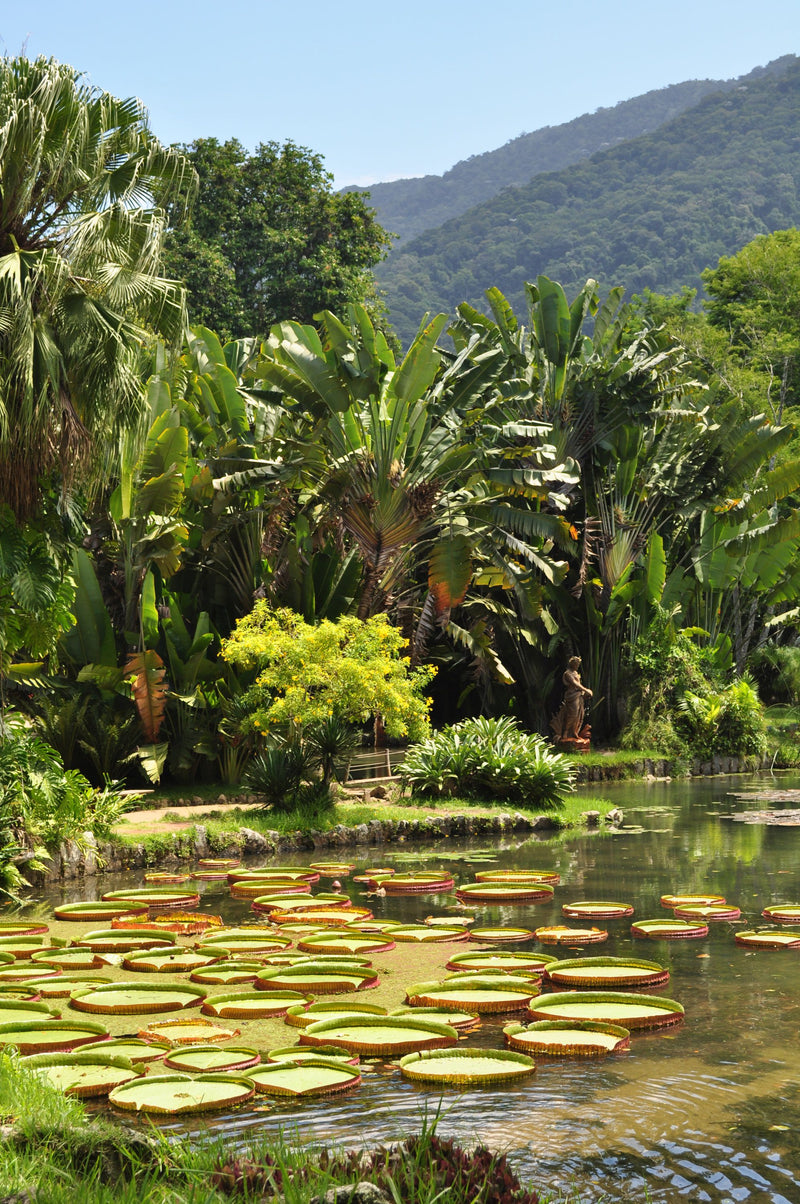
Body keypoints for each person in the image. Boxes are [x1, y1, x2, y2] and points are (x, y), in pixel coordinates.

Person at [550, 656, 593, 741]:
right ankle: (565, 732)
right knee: (573, 714)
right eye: (576, 664)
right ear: (572, 664)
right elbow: (575, 684)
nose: (577, 666)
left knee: (580, 715)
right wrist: (586, 689)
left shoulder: (576, 673)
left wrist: (585, 693)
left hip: (579, 695)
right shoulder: (567, 673)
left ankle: (574, 732)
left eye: (578, 664)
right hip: (572, 696)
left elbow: (578, 684)